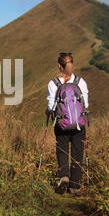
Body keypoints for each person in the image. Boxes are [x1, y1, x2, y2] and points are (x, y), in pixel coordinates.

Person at [46, 52, 89, 196]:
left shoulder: (53, 83)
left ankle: (64, 175)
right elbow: (86, 104)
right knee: (78, 153)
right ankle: (74, 187)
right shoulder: (80, 82)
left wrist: (48, 112)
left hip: (61, 123)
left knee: (62, 150)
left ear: (59, 65)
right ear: (72, 64)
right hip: (79, 125)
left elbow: (52, 107)